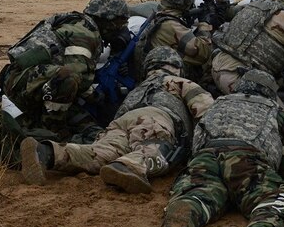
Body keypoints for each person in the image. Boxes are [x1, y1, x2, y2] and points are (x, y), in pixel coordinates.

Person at [158, 69, 284, 227]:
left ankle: (186, 212)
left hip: (206, 156)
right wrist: (280, 181)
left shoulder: (218, 103)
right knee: (276, 200)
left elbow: (196, 139)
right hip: (246, 158)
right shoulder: (275, 110)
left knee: (199, 194)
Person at [20, 46, 214, 193]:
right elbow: (206, 109)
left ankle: (48, 152)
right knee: (157, 149)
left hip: (121, 121)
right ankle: (128, 165)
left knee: (99, 152)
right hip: (155, 117)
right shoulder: (177, 81)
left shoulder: (138, 87)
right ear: (177, 67)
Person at [0, 0, 130, 141]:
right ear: (108, 20)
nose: (121, 28)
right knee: (69, 77)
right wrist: (97, 98)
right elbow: (77, 77)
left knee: (87, 124)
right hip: (22, 84)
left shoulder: (76, 22)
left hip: (24, 80)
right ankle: (52, 130)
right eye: (120, 23)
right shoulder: (86, 34)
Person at [131, 0, 214, 82]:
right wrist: (205, 24)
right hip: (167, 82)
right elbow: (204, 53)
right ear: (187, 0)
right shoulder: (171, 25)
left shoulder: (157, 16)